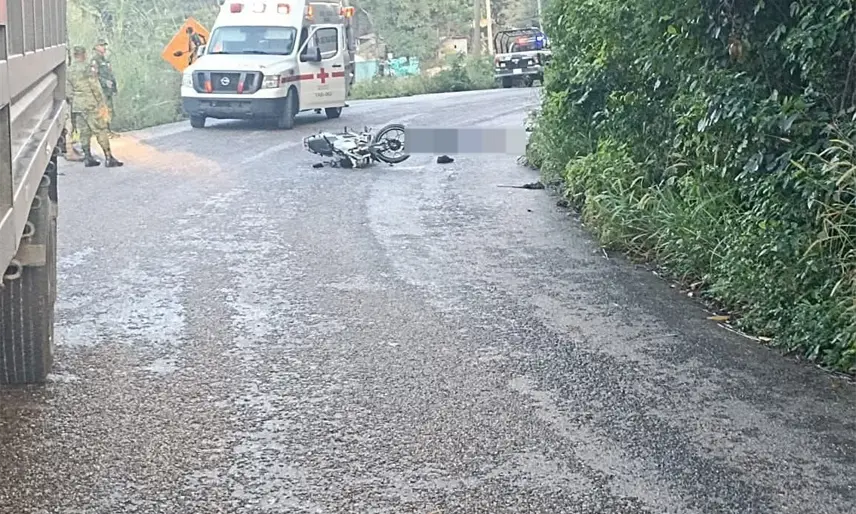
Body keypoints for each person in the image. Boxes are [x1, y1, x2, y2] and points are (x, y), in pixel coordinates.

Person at [67, 46, 123, 168]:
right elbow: (94, 86)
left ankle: (88, 157)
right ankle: (109, 157)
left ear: (74, 55)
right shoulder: (88, 68)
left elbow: (68, 92)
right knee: (100, 129)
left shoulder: (69, 70)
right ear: (84, 54)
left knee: (84, 132)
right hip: (90, 103)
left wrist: (74, 102)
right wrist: (101, 103)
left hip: (78, 105)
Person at [90, 38, 119, 137]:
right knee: (103, 110)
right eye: (102, 46)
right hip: (101, 89)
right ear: (96, 47)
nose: (104, 48)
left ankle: (108, 130)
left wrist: (114, 87)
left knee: (109, 109)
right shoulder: (95, 61)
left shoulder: (105, 60)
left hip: (108, 90)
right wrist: (104, 82)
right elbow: (94, 76)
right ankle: (105, 131)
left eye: (104, 45)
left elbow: (110, 74)